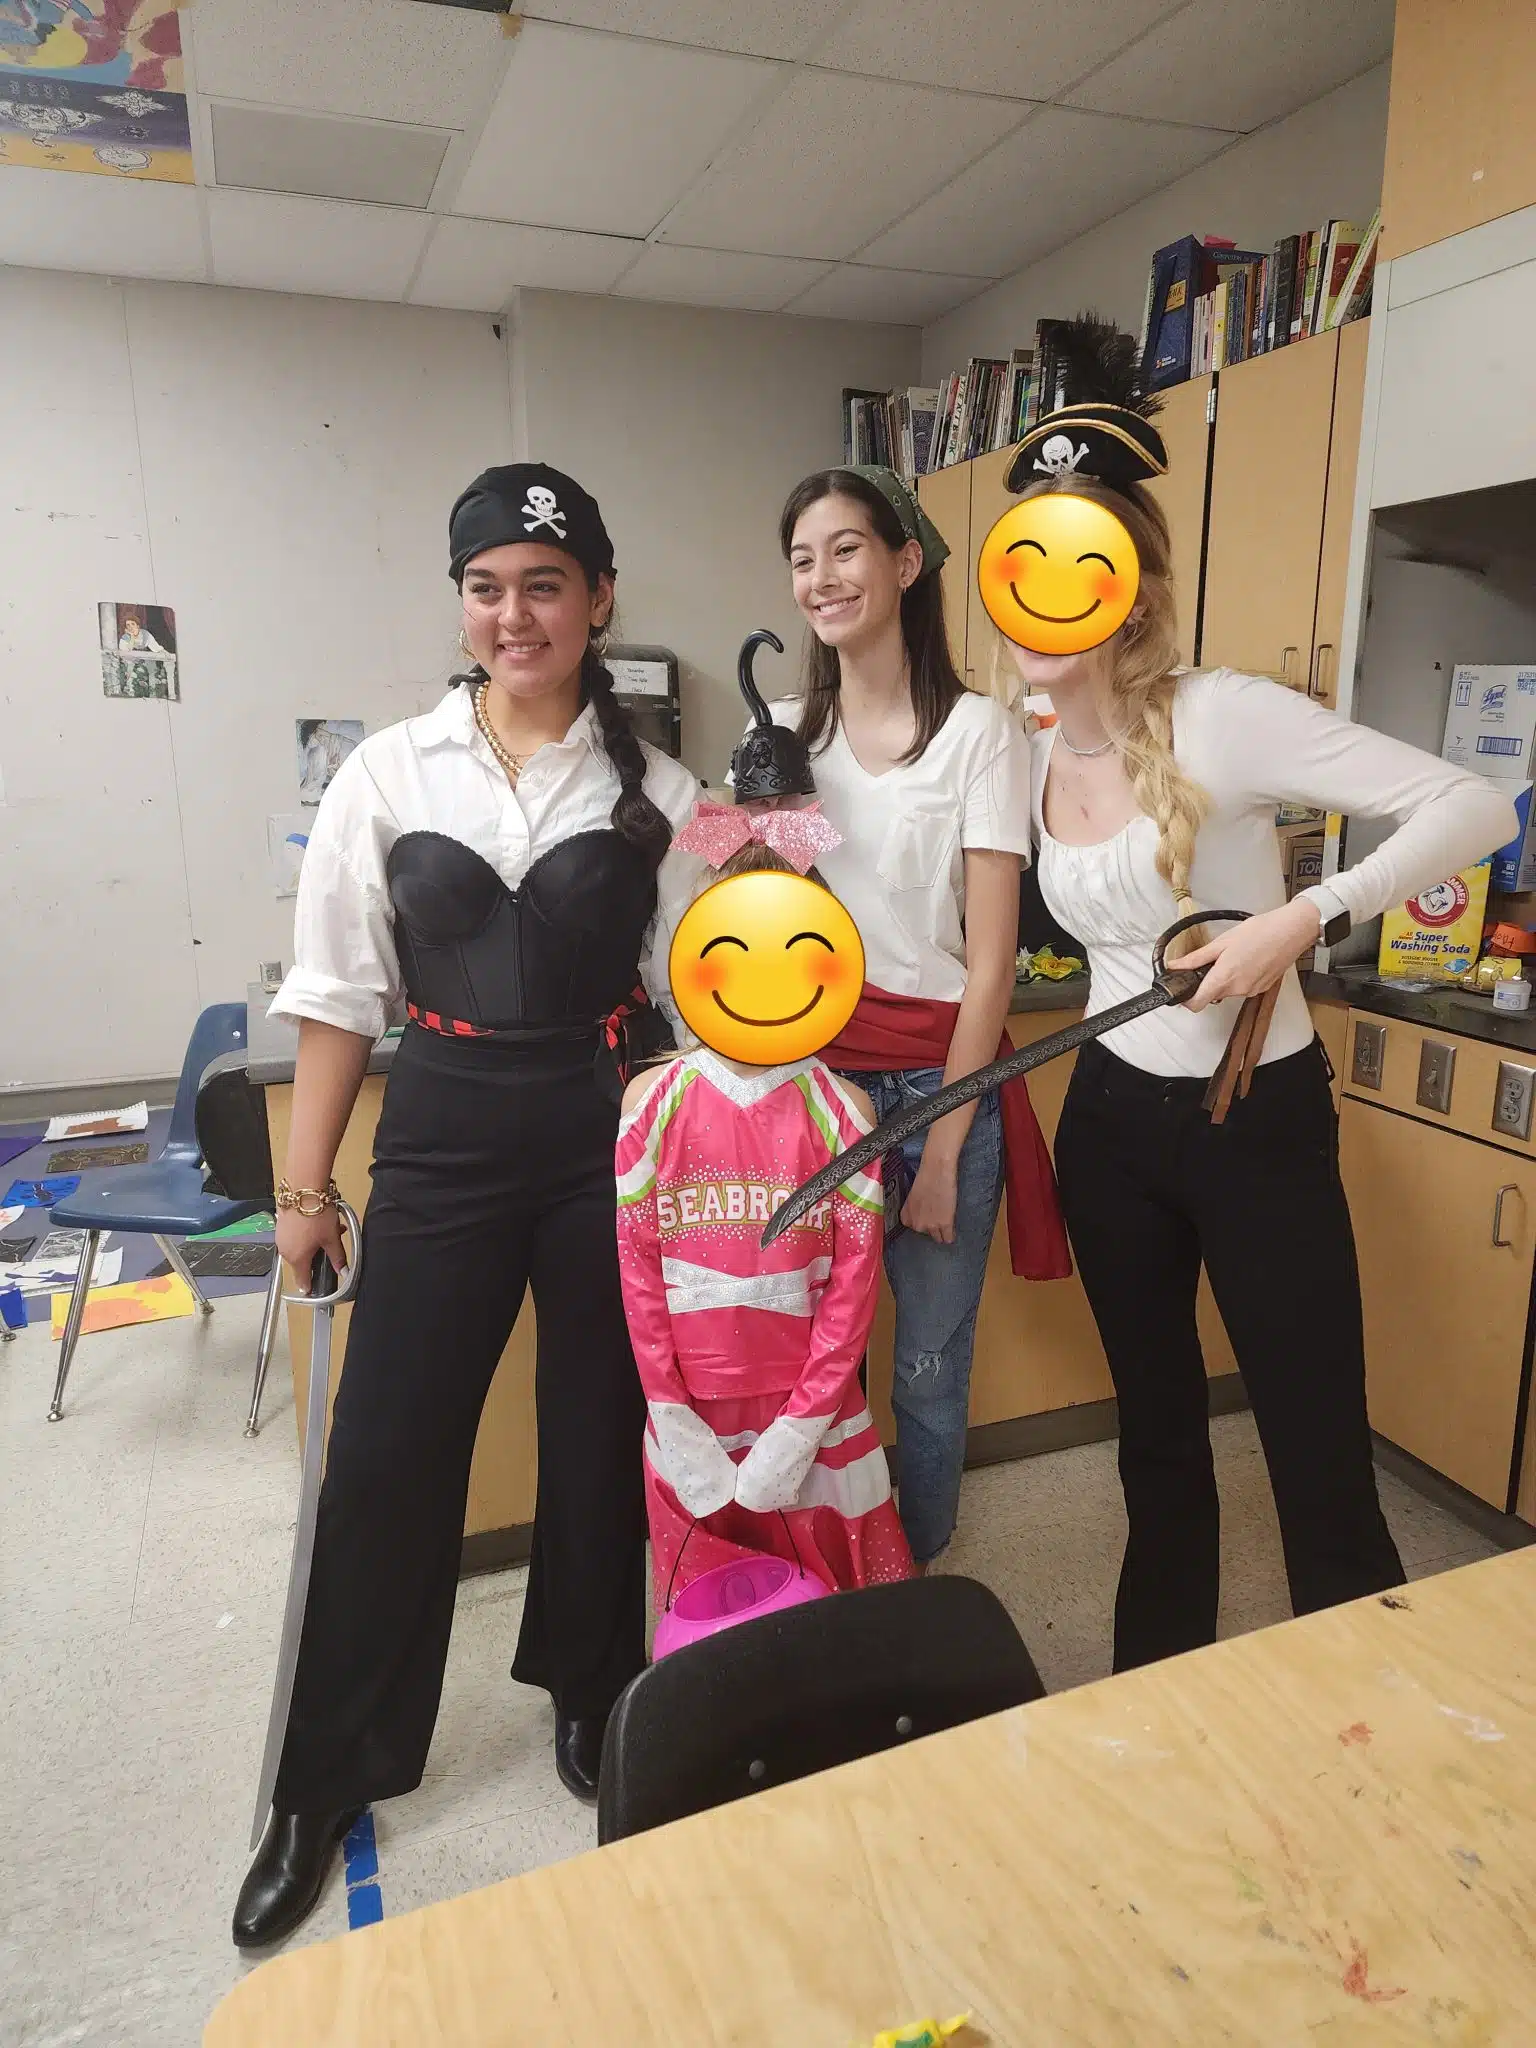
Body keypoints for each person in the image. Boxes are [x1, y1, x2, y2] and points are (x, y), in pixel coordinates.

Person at [233, 463, 699, 1948]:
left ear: (598, 599)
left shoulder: (661, 794)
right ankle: (326, 1776)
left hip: (604, 1126)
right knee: (385, 1451)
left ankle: (592, 1689)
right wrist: (305, 1188)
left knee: (597, 1424)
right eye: (488, 587)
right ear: (462, 604)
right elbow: (336, 998)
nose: (516, 614)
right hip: (438, 1131)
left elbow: (708, 999)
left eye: (545, 585)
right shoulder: (389, 773)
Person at [995, 349, 1515, 1671]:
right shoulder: (1030, 747)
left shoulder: (1221, 716)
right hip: (1109, 1124)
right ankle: (1159, 1683)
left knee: (1312, 1439)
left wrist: (1307, 915)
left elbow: (1475, 804)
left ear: (1132, 585)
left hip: (1255, 1121)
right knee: (1157, 1437)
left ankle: (1359, 1707)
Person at [766, 465, 1068, 1574]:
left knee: (929, 1368)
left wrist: (942, 1150)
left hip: (944, 1083)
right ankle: (828, 1558)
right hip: (817, 1090)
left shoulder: (981, 733)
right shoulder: (784, 732)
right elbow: (749, 910)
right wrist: (726, 821)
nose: (822, 577)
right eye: (802, 558)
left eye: (845, 549)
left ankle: (916, 1567)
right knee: (817, 1364)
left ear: (904, 563)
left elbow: (989, 965)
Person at [617, 819, 914, 1608]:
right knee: (716, 1612)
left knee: (837, 1612)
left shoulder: (845, 1113)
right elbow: (638, 1274)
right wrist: (672, 1416)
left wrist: (801, 1426)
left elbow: (854, 1290)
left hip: (814, 1412)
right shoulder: (650, 1105)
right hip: (692, 1415)